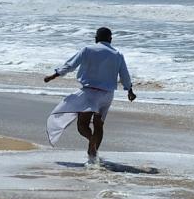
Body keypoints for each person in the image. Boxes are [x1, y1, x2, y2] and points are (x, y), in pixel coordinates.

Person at [43, 26, 136, 162]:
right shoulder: (118, 54)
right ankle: (93, 157)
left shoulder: (88, 49)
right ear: (111, 39)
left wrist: (54, 75)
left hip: (90, 93)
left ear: (96, 38)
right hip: (107, 95)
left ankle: (91, 141)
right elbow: (125, 76)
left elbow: (70, 65)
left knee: (82, 126)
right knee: (99, 125)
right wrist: (130, 90)